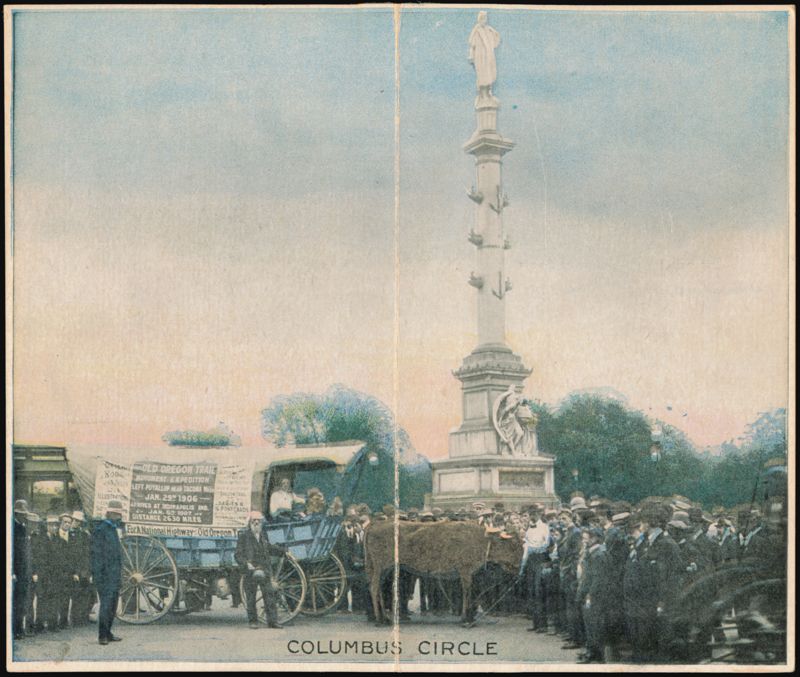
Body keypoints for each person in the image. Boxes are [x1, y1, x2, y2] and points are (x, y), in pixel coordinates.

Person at [235, 511, 286, 629]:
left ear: (262, 523)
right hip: (250, 571)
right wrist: (246, 564)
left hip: (264, 569)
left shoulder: (263, 536)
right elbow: (238, 555)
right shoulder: (243, 536)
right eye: (254, 521)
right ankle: (253, 621)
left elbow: (269, 547)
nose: (256, 523)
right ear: (250, 523)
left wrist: (283, 551)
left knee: (269, 596)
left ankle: (272, 622)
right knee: (251, 597)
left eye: (259, 521)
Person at [91, 500, 125, 645]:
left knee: (112, 605)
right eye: (117, 514)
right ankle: (102, 636)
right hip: (105, 576)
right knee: (105, 605)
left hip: (114, 575)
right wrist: (98, 576)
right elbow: (96, 556)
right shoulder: (101, 530)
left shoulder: (112, 529)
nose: (119, 518)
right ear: (110, 514)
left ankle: (108, 632)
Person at [70, 511, 95, 624]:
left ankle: (84, 616)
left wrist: (88, 570)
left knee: (86, 592)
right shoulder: (69, 534)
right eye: (74, 520)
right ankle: (75, 618)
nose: (76, 523)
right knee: (76, 593)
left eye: (78, 521)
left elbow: (88, 552)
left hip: (84, 567)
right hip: (74, 566)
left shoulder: (84, 535)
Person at [13, 499, 32, 640]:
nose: (23, 516)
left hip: (24, 571)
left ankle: (19, 628)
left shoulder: (23, 527)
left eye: (24, 513)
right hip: (16, 572)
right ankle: (16, 629)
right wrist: (12, 571)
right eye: (20, 513)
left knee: (22, 600)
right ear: (15, 513)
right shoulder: (13, 528)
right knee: (16, 601)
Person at [468, 11, 500, 93]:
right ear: (479, 19)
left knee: (490, 73)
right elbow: (472, 44)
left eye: (485, 18)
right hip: (480, 56)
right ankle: (481, 93)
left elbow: (495, 40)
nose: (484, 20)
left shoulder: (488, 30)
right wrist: (471, 56)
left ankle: (489, 92)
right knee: (482, 75)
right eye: (482, 18)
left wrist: (493, 32)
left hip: (489, 55)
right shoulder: (476, 31)